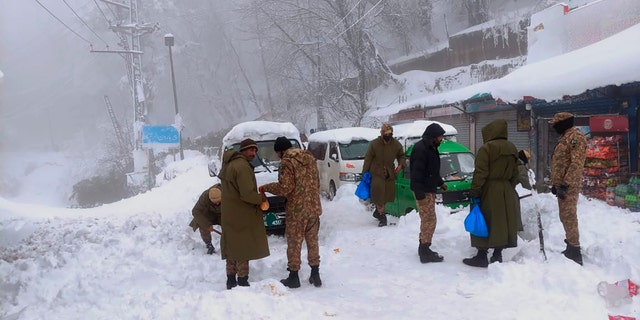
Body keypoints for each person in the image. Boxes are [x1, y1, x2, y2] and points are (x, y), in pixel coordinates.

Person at [260, 136, 323, 288]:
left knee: (294, 243)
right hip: (313, 208)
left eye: (277, 153)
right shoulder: (309, 158)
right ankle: (315, 274)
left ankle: (293, 276)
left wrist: (266, 187)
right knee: (313, 242)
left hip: (297, 211)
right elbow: (317, 182)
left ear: (281, 151)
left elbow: (285, 188)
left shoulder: (286, 162)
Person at [463, 119, 520, 268]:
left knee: (484, 219)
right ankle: (497, 255)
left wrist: (475, 191)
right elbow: (516, 173)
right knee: (502, 222)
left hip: (489, 189)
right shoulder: (512, 148)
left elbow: (481, 173)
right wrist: (507, 187)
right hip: (507, 189)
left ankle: (481, 256)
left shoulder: (487, 148)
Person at [218, 138, 270, 289]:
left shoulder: (229, 164)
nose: (253, 153)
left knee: (232, 246)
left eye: (255, 150)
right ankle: (242, 280)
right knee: (243, 248)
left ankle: (230, 279)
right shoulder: (243, 167)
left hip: (229, 212)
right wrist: (261, 198)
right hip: (242, 212)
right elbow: (247, 194)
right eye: (250, 150)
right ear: (242, 151)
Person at [549, 112, 587, 265]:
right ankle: (571, 245)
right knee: (564, 216)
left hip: (569, 186)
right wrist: (556, 184)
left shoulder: (575, 138)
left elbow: (576, 164)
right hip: (563, 185)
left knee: (569, 216)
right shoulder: (565, 138)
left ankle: (575, 251)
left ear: (564, 123)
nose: (554, 127)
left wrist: (565, 184)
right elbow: (561, 163)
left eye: (556, 124)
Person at [409, 123, 448, 263]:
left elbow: (432, 170)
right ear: (433, 136)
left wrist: (440, 183)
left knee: (429, 220)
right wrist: (419, 192)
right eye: (440, 136)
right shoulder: (421, 149)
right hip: (423, 191)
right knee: (429, 220)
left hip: (428, 189)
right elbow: (416, 173)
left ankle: (424, 247)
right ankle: (424, 251)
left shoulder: (430, 147)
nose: (442, 139)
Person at [362, 123, 406, 227]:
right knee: (379, 194)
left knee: (387, 195)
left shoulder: (396, 144)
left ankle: (377, 212)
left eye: (390, 133)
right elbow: (368, 158)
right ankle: (382, 217)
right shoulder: (374, 144)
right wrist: (365, 173)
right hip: (376, 172)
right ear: (382, 133)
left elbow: (401, 155)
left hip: (390, 173)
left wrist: (400, 165)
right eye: (386, 133)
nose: (388, 135)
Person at [189, 184, 222, 254]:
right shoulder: (205, 196)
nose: (217, 203)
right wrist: (207, 224)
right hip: (210, 213)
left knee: (230, 225)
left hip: (223, 214)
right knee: (202, 225)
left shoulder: (228, 193)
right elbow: (195, 211)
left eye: (219, 201)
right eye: (215, 202)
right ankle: (209, 245)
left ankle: (230, 244)